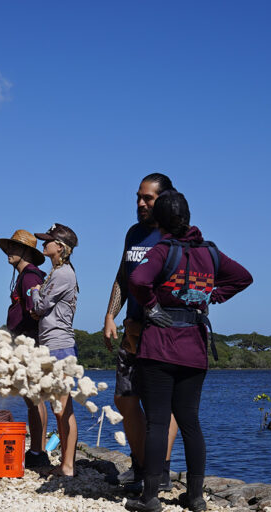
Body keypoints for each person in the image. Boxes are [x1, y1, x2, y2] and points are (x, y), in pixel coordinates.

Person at [125, 191, 252, 512]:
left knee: (156, 422)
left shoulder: (163, 250)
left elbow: (137, 279)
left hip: (159, 345)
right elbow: (243, 277)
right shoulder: (209, 253)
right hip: (195, 345)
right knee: (190, 422)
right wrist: (213, 295)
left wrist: (152, 307)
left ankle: (150, 497)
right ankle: (196, 497)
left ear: (162, 220)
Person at [103, 173, 179, 494]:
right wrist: (110, 314)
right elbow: (123, 276)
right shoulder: (134, 233)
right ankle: (141, 463)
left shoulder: (173, 236)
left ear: (164, 199)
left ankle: (158, 469)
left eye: (147, 198)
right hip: (131, 329)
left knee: (164, 404)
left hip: (161, 332)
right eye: (138, 197)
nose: (140, 204)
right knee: (123, 398)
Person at [30, 224, 80, 477]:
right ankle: (66, 463)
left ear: (60, 247)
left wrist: (34, 292)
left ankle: (68, 466)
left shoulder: (62, 275)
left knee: (63, 408)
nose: (43, 244)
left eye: (47, 241)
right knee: (59, 408)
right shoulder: (58, 272)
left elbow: (40, 306)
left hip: (59, 347)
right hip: (55, 345)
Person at [0, 229, 49, 467]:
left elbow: (36, 311)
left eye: (15, 248)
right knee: (33, 399)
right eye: (9, 247)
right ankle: (37, 450)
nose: (10, 251)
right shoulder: (26, 276)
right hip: (28, 342)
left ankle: (38, 452)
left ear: (27, 252)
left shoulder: (29, 277)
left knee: (34, 399)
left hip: (30, 344)